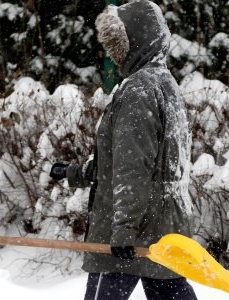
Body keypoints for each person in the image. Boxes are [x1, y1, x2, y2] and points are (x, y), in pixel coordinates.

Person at [50, 0, 197, 299]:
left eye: (118, 43)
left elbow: (133, 168)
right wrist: (76, 173)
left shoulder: (138, 90)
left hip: (129, 234)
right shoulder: (165, 83)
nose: (113, 53)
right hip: (162, 226)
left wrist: (123, 231)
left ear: (135, 41)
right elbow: (136, 161)